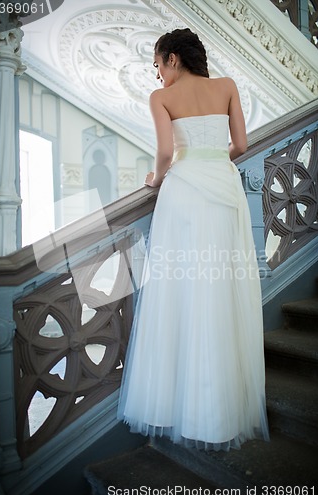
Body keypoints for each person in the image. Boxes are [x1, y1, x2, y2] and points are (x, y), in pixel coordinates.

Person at [117, 28, 269, 451]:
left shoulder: (162, 98)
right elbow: (239, 144)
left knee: (179, 291)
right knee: (221, 289)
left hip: (184, 192)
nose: (157, 75)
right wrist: (213, 158)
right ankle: (218, 411)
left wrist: (157, 178)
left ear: (172, 59)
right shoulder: (227, 87)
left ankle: (176, 405)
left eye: (157, 66)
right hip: (223, 187)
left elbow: (165, 153)